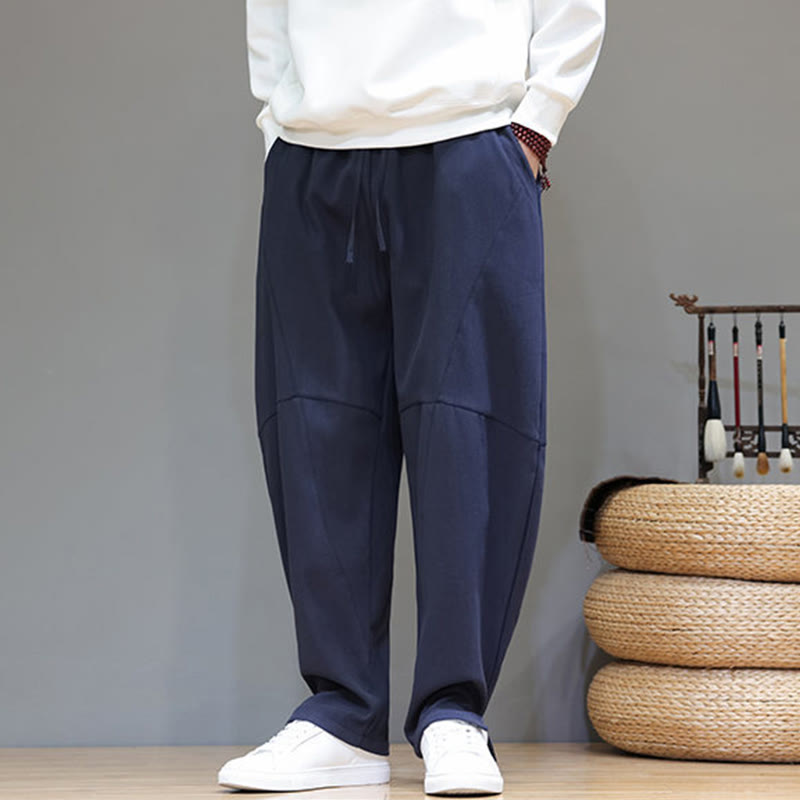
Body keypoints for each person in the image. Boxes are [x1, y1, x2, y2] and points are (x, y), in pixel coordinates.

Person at [218, 0, 605, 794]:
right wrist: (279, 125)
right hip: (314, 148)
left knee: (470, 430)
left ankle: (453, 713)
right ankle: (340, 715)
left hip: (471, 135)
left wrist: (536, 123)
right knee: (313, 426)